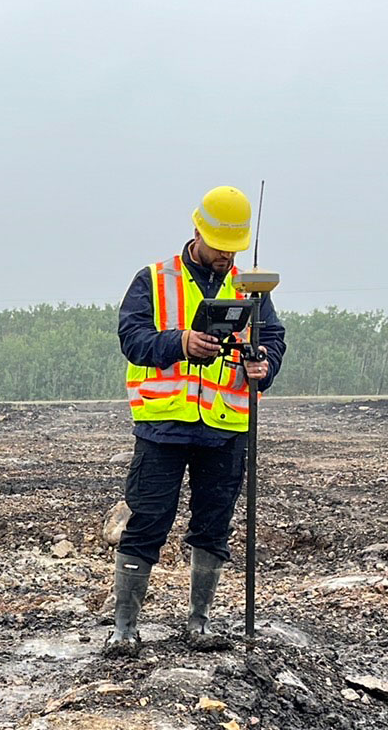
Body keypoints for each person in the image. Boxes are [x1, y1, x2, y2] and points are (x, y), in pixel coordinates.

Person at [106, 185, 286, 656]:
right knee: (147, 520)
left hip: (226, 427)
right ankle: (125, 627)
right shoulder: (153, 279)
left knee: (214, 525)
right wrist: (182, 343)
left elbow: (274, 341)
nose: (226, 256)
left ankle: (199, 623)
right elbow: (133, 339)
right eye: (218, 246)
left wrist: (263, 365)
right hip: (164, 426)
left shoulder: (250, 287)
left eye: (233, 248)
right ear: (196, 232)